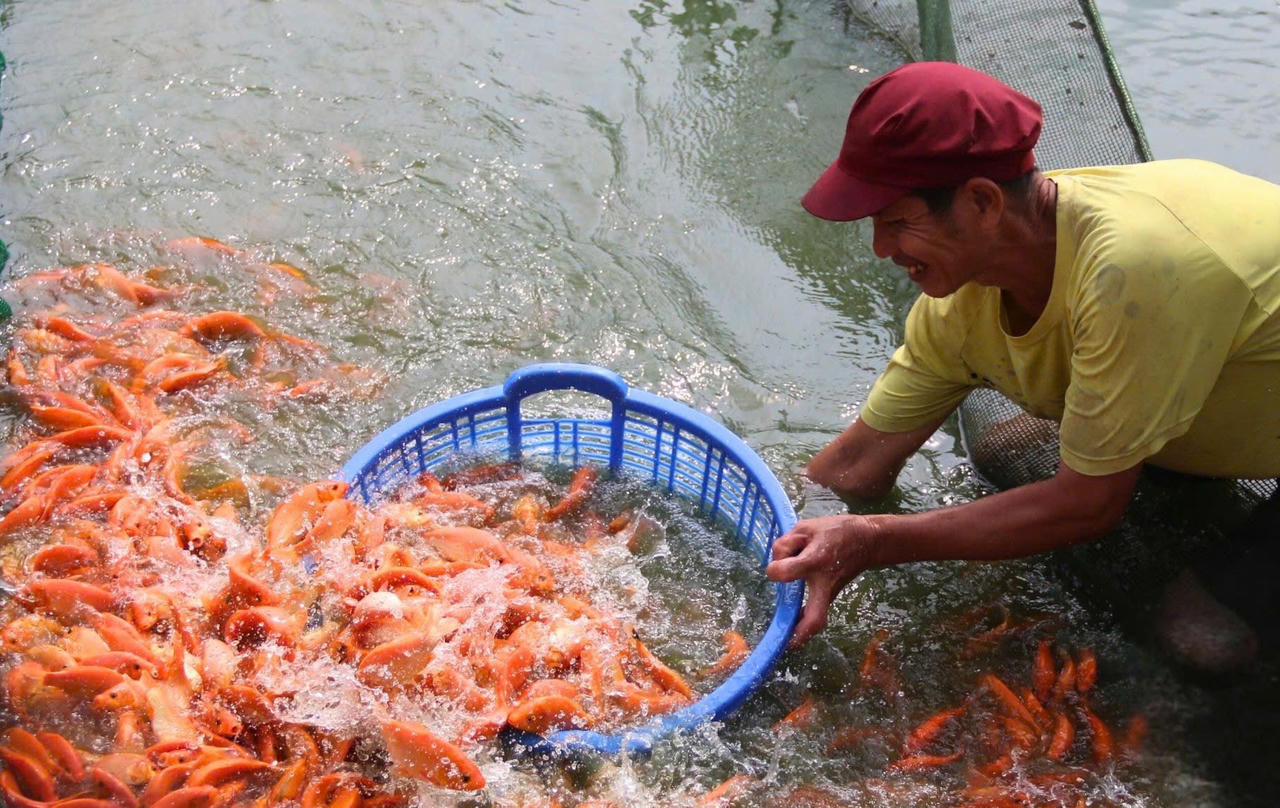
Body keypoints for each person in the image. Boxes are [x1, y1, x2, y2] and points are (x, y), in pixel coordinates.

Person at [765, 61, 1280, 674]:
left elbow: (1089, 506)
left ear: (982, 201)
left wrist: (875, 539)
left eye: (897, 221)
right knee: (1005, 453)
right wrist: (782, 551)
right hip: (1210, 379)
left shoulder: (1133, 275)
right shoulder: (958, 302)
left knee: (1201, 640)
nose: (881, 248)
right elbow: (853, 467)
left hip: (1186, 330)